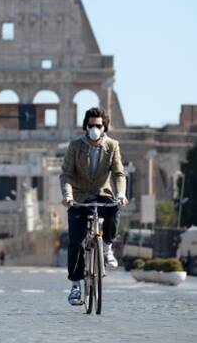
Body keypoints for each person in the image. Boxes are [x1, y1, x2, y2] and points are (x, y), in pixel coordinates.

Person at [60, 107, 128, 306]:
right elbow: (66, 174)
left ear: (104, 126)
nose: (94, 129)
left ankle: (107, 246)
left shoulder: (112, 145)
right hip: (79, 197)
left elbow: (118, 173)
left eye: (98, 125)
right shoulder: (74, 146)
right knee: (76, 242)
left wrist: (121, 193)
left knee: (114, 209)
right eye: (91, 125)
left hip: (102, 194)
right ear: (85, 126)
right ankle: (75, 285)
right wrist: (67, 195)